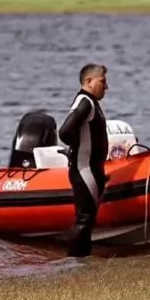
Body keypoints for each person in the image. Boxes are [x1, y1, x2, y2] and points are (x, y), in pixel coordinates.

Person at [58, 63, 110, 258]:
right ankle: (74, 262)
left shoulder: (90, 102)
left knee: (87, 218)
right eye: (102, 82)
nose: (106, 87)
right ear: (89, 81)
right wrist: (76, 149)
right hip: (84, 169)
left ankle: (83, 259)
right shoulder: (85, 102)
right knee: (84, 218)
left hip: (91, 168)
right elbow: (64, 131)